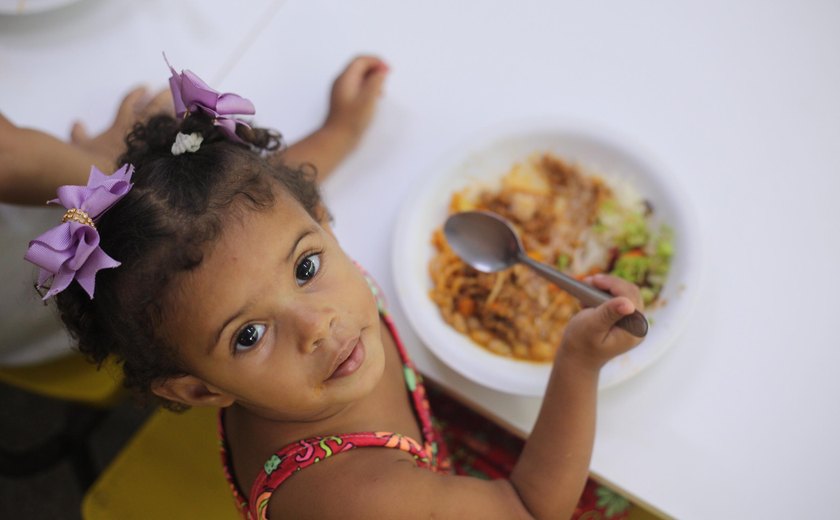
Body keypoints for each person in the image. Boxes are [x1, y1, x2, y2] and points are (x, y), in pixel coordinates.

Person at [24, 55, 644, 519]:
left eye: (305, 268)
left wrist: (340, 130)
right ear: (197, 388)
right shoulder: (363, 498)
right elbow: (530, 508)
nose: (316, 325)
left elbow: (256, 207)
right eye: (249, 334)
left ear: (320, 219)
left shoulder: (263, 265)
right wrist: (579, 360)